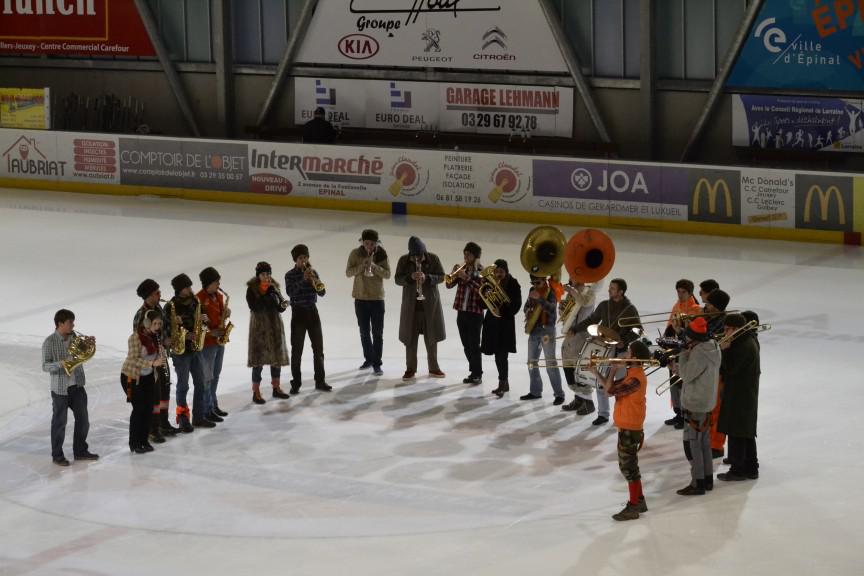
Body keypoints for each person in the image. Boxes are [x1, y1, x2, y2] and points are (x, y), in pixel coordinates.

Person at [591, 340, 651, 521]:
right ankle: (639, 500)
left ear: (634, 357)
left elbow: (610, 391)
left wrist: (613, 370)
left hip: (630, 428)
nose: (625, 355)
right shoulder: (631, 374)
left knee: (628, 468)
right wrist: (595, 372)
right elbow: (609, 389)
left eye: (628, 353)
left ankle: (633, 506)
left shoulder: (635, 379)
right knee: (631, 466)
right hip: (627, 426)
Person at [570, 278, 642, 425]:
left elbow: (638, 330)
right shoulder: (604, 305)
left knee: (620, 385)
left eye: (613, 288)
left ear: (621, 292)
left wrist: (625, 340)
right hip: (603, 349)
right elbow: (591, 320)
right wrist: (575, 329)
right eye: (610, 287)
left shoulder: (630, 309)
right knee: (600, 381)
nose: (609, 290)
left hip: (620, 352)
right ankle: (603, 414)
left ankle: (621, 413)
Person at [42, 309, 98, 466]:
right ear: (60, 323)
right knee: (59, 423)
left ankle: (80, 451)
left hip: (77, 387)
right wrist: (61, 364)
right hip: (60, 390)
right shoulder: (49, 342)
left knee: (83, 421)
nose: (73, 325)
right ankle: (57, 455)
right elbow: (45, 366)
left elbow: (84, 355)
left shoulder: (76, 338)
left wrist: (89, 344)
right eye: (70, 322)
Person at [676, 317, 721, 495]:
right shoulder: (714, 346)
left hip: (695, 403)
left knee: (693, 444)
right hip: (707, 401)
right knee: (704, 443)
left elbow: (686, 374)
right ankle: (707, 479)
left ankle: (697, 483)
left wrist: (683, 354)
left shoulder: (698, 352)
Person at [394, 236, 446, 380]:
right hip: (411, 308)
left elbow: (442, 276)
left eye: (419, 255)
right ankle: (410, 369)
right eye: (414, 256)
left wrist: (428, 278)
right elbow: (397, 279)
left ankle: (434, 368)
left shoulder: (433, 259)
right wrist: (410, 277)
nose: (417, 258)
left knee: (432, 339)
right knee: (410, 340)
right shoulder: (403, 260)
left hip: (430, 307)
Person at [717, 313, 761, 481]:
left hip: (740, 393)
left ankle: (738, 469)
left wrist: (724, 351)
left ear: (736, 329)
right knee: (744, 431)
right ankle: (750, 466)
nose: (725, 332)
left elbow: (730, 369)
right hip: (744, 392)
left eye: (727, 329)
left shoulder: (744, 346)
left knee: (737, 430)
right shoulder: (747, 340)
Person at [166, 273, 212, 432]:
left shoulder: (195, 301)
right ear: (180, 289)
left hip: (195, 349)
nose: (190, 289)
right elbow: (167, 330)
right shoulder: (171, 306)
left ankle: (198, 417)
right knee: (183, 386)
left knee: (201, 383)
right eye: (187, 287)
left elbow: (204, 323)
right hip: (181, 352)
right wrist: (184, 334)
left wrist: (205, 320)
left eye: (190, 286)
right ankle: (183, 417)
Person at [133, 278, 178, 438]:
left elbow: (163, 328)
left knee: (165, 389)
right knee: (154, 394)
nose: (160, 295)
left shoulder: (158, 308)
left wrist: (173, 326)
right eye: (157, 293)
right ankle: (152, 429)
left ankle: (163, 423)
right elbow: (140, 339)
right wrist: (162, 342)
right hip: (151, 360)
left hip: (162, 356)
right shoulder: (141, 315)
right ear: (149, 295)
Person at [285, 244, 331, 393]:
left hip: (312, 312)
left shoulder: (313, 272)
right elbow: (290, 292)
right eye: (300, 258)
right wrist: (303, 280)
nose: (303, 260)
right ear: (295, 260)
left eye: (305, 257)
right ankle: (296, 383)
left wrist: (314, 281)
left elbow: (322, 293)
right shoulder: (289, 275)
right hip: (298, 314)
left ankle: (320, 381)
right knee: (297, 351)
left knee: (318, 350)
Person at [121, 309, 167, 454]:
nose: (157, 327)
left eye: (159, 324)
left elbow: (155, 357)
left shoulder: (155, 337)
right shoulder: (135, 338)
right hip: (132, 376)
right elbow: (133, 359)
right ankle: (134, 443)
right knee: (139, 409)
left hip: (148, 377)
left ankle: (144, 440)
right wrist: (152, 363)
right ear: (147, 323)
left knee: (148, 409)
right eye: (155, 324)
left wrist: (161, 355)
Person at [345, 229, 390, 376]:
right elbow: (348, 273)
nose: (369, 246)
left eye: (372, 244)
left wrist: (374, 267)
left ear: (376, 243)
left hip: (377, 299)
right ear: (362, 242)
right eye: (366, 243)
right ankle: (369, 359)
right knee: (364, 332)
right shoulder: (355, 254)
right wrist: (362, 266)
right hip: (361, 299)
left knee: (377, 333)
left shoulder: (381, 254)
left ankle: (377, 363)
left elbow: (387, 274)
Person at [246, 261, 291, 403]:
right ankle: (256, 391)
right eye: (264, 274)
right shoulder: (252, 290)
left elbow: (278, 308)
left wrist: (282, 306)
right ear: (258, 276)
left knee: (276, 359)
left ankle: (276, 388)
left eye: (268, 274)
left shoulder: (274, 287)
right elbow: (255, 306)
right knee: (258, 361)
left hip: (274, 326)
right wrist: (267, 295)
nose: (266, 277)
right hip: (259, 329)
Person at [663, 279, 702, 429]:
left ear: (690, 292)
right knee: (673, 383)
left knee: (682, 383)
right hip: (675, 348)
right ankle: (678, 412)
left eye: (683, 292)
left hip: (686, 351)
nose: (680, 294)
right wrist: (666, 342)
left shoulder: (696, 309)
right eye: (678, 291)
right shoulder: (676, 306)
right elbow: (669, 326)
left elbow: (693, 333)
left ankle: (685, 415)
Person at [521, 275, 565, 405]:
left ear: (544, 281)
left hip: (547, 332)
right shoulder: (532, 290)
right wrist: (527, 311)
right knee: (531, 362)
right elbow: (526, 306)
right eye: (533, 283)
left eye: (538, 282)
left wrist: (539, 299)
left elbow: (552, 309)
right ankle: (535, 391)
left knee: (550, 363)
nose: (535, 285)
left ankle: (559, 394)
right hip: (534, 330)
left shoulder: (551, 291)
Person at [481, 259, 522, 397]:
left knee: (501, 356)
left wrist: (502, 310)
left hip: (505, 325)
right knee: (498, 356)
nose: (498, 274)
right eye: (496, 271)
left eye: (501, 271)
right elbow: (482, 304)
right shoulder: (489, 283)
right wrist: (484, 292)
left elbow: (516, 305)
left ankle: (502, 383)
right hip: (492, 324)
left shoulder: (513, 284)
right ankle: (504, 383)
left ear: (506, 271)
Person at [446, 242, 485, 385]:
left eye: (468, 254)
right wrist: (453, 274)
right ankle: (474, 371)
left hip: (475, 313)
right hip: (461, 312)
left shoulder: (482, 271)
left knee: (474, 345)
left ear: (475, 256)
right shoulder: (462, 269)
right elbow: (448, 285)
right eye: (465, 254)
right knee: (466, 345)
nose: (465, 257)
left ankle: (477, 373)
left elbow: (482, 290)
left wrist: (466, 278)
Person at [560, 280, 600, 415]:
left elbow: (584, 302)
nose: (571, 276)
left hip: (582, 338)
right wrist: (562, 309)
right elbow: (566, 316)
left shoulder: (590, 292)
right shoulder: (571, 293)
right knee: (569, 370)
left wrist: (572, 291)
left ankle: (588, 403)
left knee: (580, 371)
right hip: (569, 337)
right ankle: (578, 400)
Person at [196, 267, 229, 422]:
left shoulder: (219, 296)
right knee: (207, 378)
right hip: (208, 343)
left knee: (216, 374)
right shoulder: (199, 299)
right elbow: (198, 325)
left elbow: (221, 313)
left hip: (220, 340)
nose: (219, 284)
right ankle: (206, 408)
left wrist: (226, 313)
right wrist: (211, 332)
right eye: (216, 281)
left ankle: (213, 404)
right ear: (208, 283)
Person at [704, 288, 731, 459]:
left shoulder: (723, 324)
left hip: (719, 372)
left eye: (708, 304)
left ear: (716, 306)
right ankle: (710, 441)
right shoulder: (710, 319)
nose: (705, 306)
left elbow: (711, 343)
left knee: (716, 410)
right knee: (709, 409)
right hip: (710, 371)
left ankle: (716, 445)